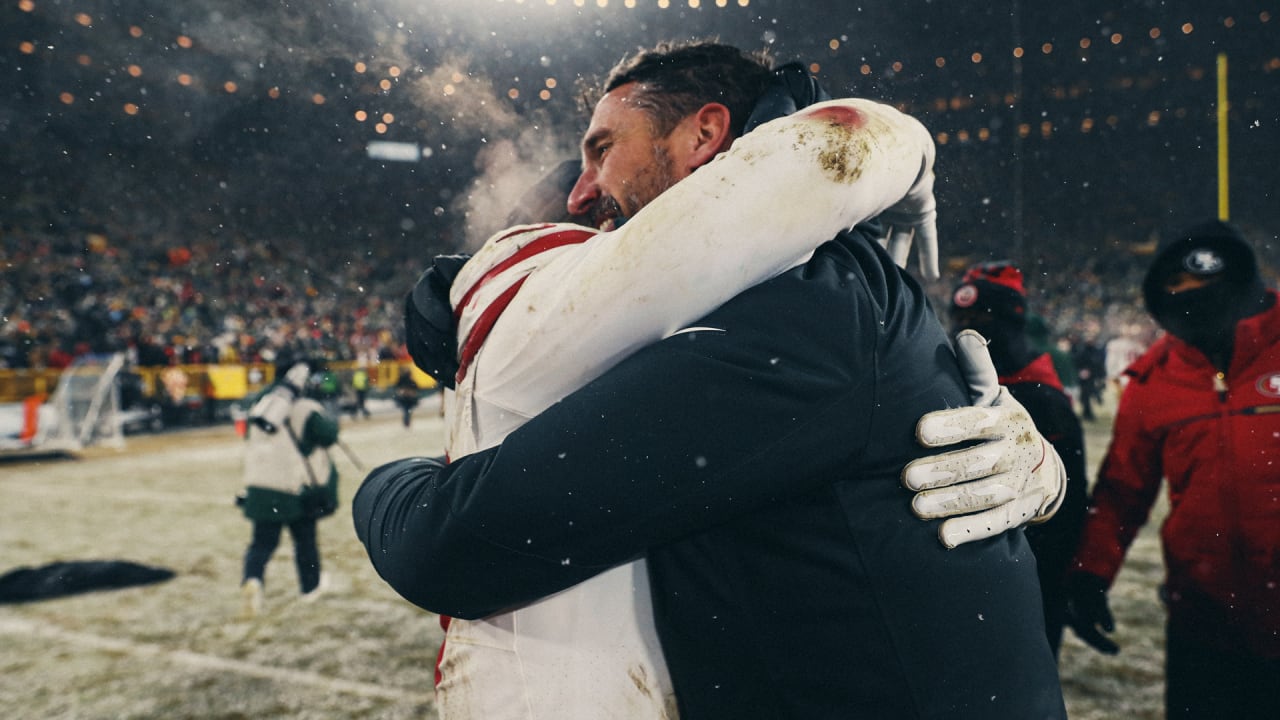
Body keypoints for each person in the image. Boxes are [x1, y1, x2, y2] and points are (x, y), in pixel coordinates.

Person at [358, 40, 1068, 719]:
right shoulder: (824, 290)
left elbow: (453, 548)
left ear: (705, 136)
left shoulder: (806, 310)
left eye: (603, 149)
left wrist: (386, 481)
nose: (581, 193)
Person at [1064, 219, 1280, 720]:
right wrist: (1089, 576)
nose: (1193, 299)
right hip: (1203, 625)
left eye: (1207, 289)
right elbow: (1122, 490)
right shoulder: (1153, 380)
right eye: (1178, 289)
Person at [949, 261, 1089, 657]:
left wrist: (1066, 579)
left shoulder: (1045, 397)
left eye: (981, 316)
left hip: (1032, 572)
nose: (969, 325)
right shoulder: (946, 382)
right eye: (961, 316)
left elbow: (1072, 505)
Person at [237, 358, 339, 618]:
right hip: (294, 486)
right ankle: (310, 587)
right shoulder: (305, 407)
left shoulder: (260, 403)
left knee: (261, 543)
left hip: (260, 484)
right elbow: (328, 435)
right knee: (304, 541)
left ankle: (253, 580)